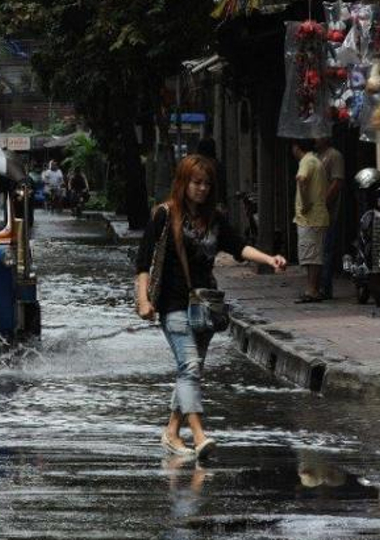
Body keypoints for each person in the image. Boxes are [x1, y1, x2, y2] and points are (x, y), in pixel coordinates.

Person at [134, 155, 286, 458]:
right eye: (196, 182)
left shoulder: (215, 219)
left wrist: (269, 259)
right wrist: (143, 299)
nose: (202, 188)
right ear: (183, 182)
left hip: (205, 306)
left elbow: (238, 246)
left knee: (190, 371)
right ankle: (200, 436)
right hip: (173, 304)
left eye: (207, 183)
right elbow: (143, 261)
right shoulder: (164, 215)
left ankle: (172, 432)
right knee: (189, 367)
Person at [292, 140, 330, 303]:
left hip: (310, 217)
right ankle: (312, 288)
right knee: (314, 255)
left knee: (311, 256)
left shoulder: (306, 161)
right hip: (316, 216)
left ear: (296, 147)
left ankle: (312, 289)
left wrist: (306, 203)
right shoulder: (316, 161)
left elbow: (301, 179)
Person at [316, 138, 344, 300]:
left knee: (326, 250)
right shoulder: (316, 156)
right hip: (315, 213)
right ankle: (318, 286)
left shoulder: (334, 156)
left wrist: (324, 203)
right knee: (317, 250)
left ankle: (324, 288)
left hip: (328, 212)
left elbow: (337, 182)